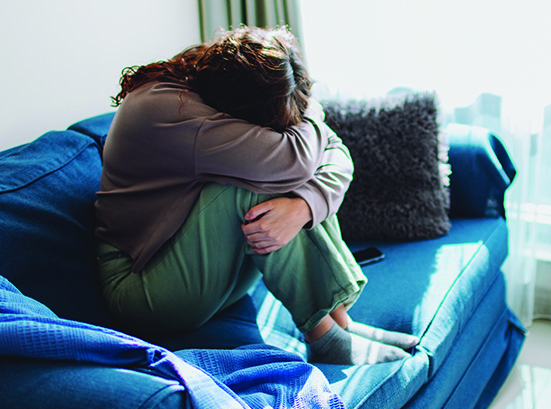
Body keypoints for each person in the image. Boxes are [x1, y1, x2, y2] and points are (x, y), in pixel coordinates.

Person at [94, 25, 417, 365]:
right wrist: (310, 109)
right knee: (260, 184)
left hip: (208, 274)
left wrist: (305, 207)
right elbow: (297, 162)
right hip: (144, 288)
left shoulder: (214, 78)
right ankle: (324, 337)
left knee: (290, 185)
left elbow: (335, 150)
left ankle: (341, 323)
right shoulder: (172, 111)